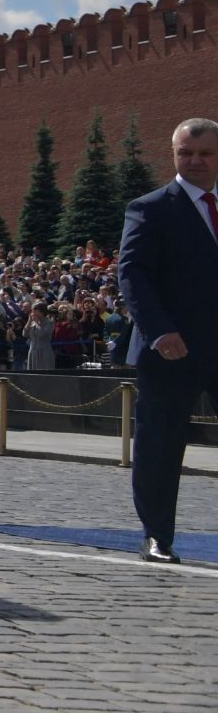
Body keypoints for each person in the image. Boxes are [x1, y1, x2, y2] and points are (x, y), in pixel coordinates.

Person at [117, 117, 218, 565]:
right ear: (173, 153)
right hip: (171, 349)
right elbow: (132, 274)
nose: (195, 161)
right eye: (185, 153)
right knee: (160, 444)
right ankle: (157, 535)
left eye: (205, 153)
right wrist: (159, 330)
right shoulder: (150, 207)